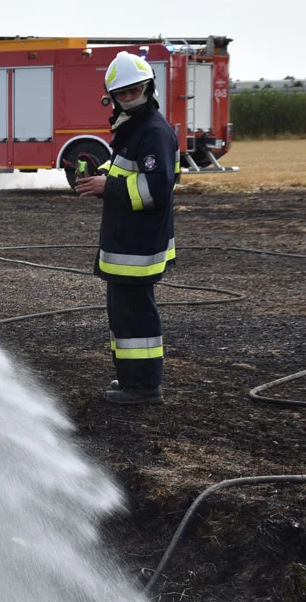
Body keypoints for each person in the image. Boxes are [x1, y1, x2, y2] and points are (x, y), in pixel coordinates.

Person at [75, 51, 179, 405]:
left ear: (148, 87)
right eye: (122, 93)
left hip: (138, 248)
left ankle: (145, 388)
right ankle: (131, 380)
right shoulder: (133, 129)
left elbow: (158, 189)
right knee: (124, 319)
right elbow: (127, 172)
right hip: (126, 246)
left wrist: (109, 188)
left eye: (134, 90)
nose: (128, 96)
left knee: (136, 321)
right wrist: (100, 174)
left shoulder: (153, 131)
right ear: (112, 95)